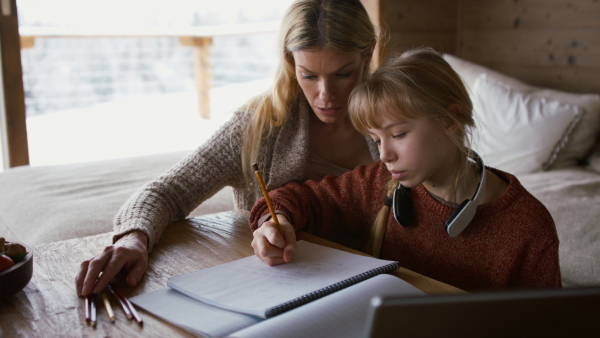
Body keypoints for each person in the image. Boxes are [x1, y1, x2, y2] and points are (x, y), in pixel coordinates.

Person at [76, 0, 385, 297]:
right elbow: (167, 191)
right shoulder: (257, 129)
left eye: (342, 74)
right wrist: (133, 239)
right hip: (279, 289)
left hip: (383, 283)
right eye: (309, 75)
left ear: (368, 53)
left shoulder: (398, 120)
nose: (325, 94)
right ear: (290, 63)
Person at [249, 48, 562, 291]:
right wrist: (274, 223)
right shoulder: (377, 183)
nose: (384, 154)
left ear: (450, 120)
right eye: (375, 138)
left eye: (398, 134)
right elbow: (297, 197)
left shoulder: (529, 228)